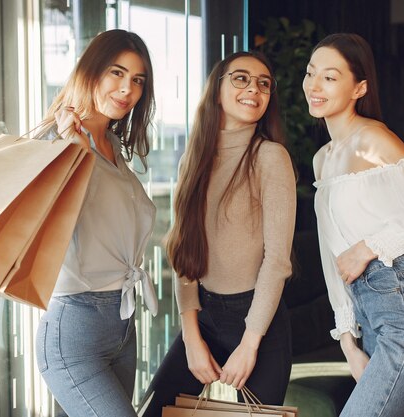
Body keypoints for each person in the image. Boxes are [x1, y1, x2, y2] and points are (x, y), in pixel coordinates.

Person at [304, 33, 404, 416]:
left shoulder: (371, 139)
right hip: (370, 316)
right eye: (311, 73)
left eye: (330, 76)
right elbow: (332, 257)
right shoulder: (322, 159)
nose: (314, 85)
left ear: (359, 87)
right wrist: (348, 343)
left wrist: (367, 247)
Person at [139, 51, 296, 416]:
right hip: (204, 317)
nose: (253, 89)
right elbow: (185, 252)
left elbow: (276, 261)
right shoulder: (192, 160)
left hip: (261, 321)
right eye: (241, 78)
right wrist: (192, 337)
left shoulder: (270, 157)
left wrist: (250, 344)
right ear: (217, 90)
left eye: (263, 84)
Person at [34, 29, 157, 417]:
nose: (127, 89)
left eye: (137, 80)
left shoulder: (116, 147)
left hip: (123, 324)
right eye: (116, 73)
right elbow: (39, 225)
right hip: (76, 326)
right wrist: (74, 153)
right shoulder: (57, 138)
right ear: (90, 72)